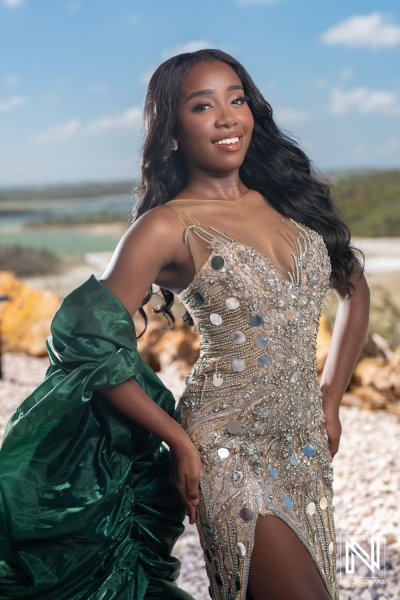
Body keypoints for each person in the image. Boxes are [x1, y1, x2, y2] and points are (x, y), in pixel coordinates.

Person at [0, 49, 369, 600]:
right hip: (226, 446)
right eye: (203, 106)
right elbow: (85, 339)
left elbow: (354, 286)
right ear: (171, 128)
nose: (227, 117)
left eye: (237, 99)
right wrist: (179, 441)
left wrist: (331, 397)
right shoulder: (166, 226)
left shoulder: (291, 199)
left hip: (306, 445)